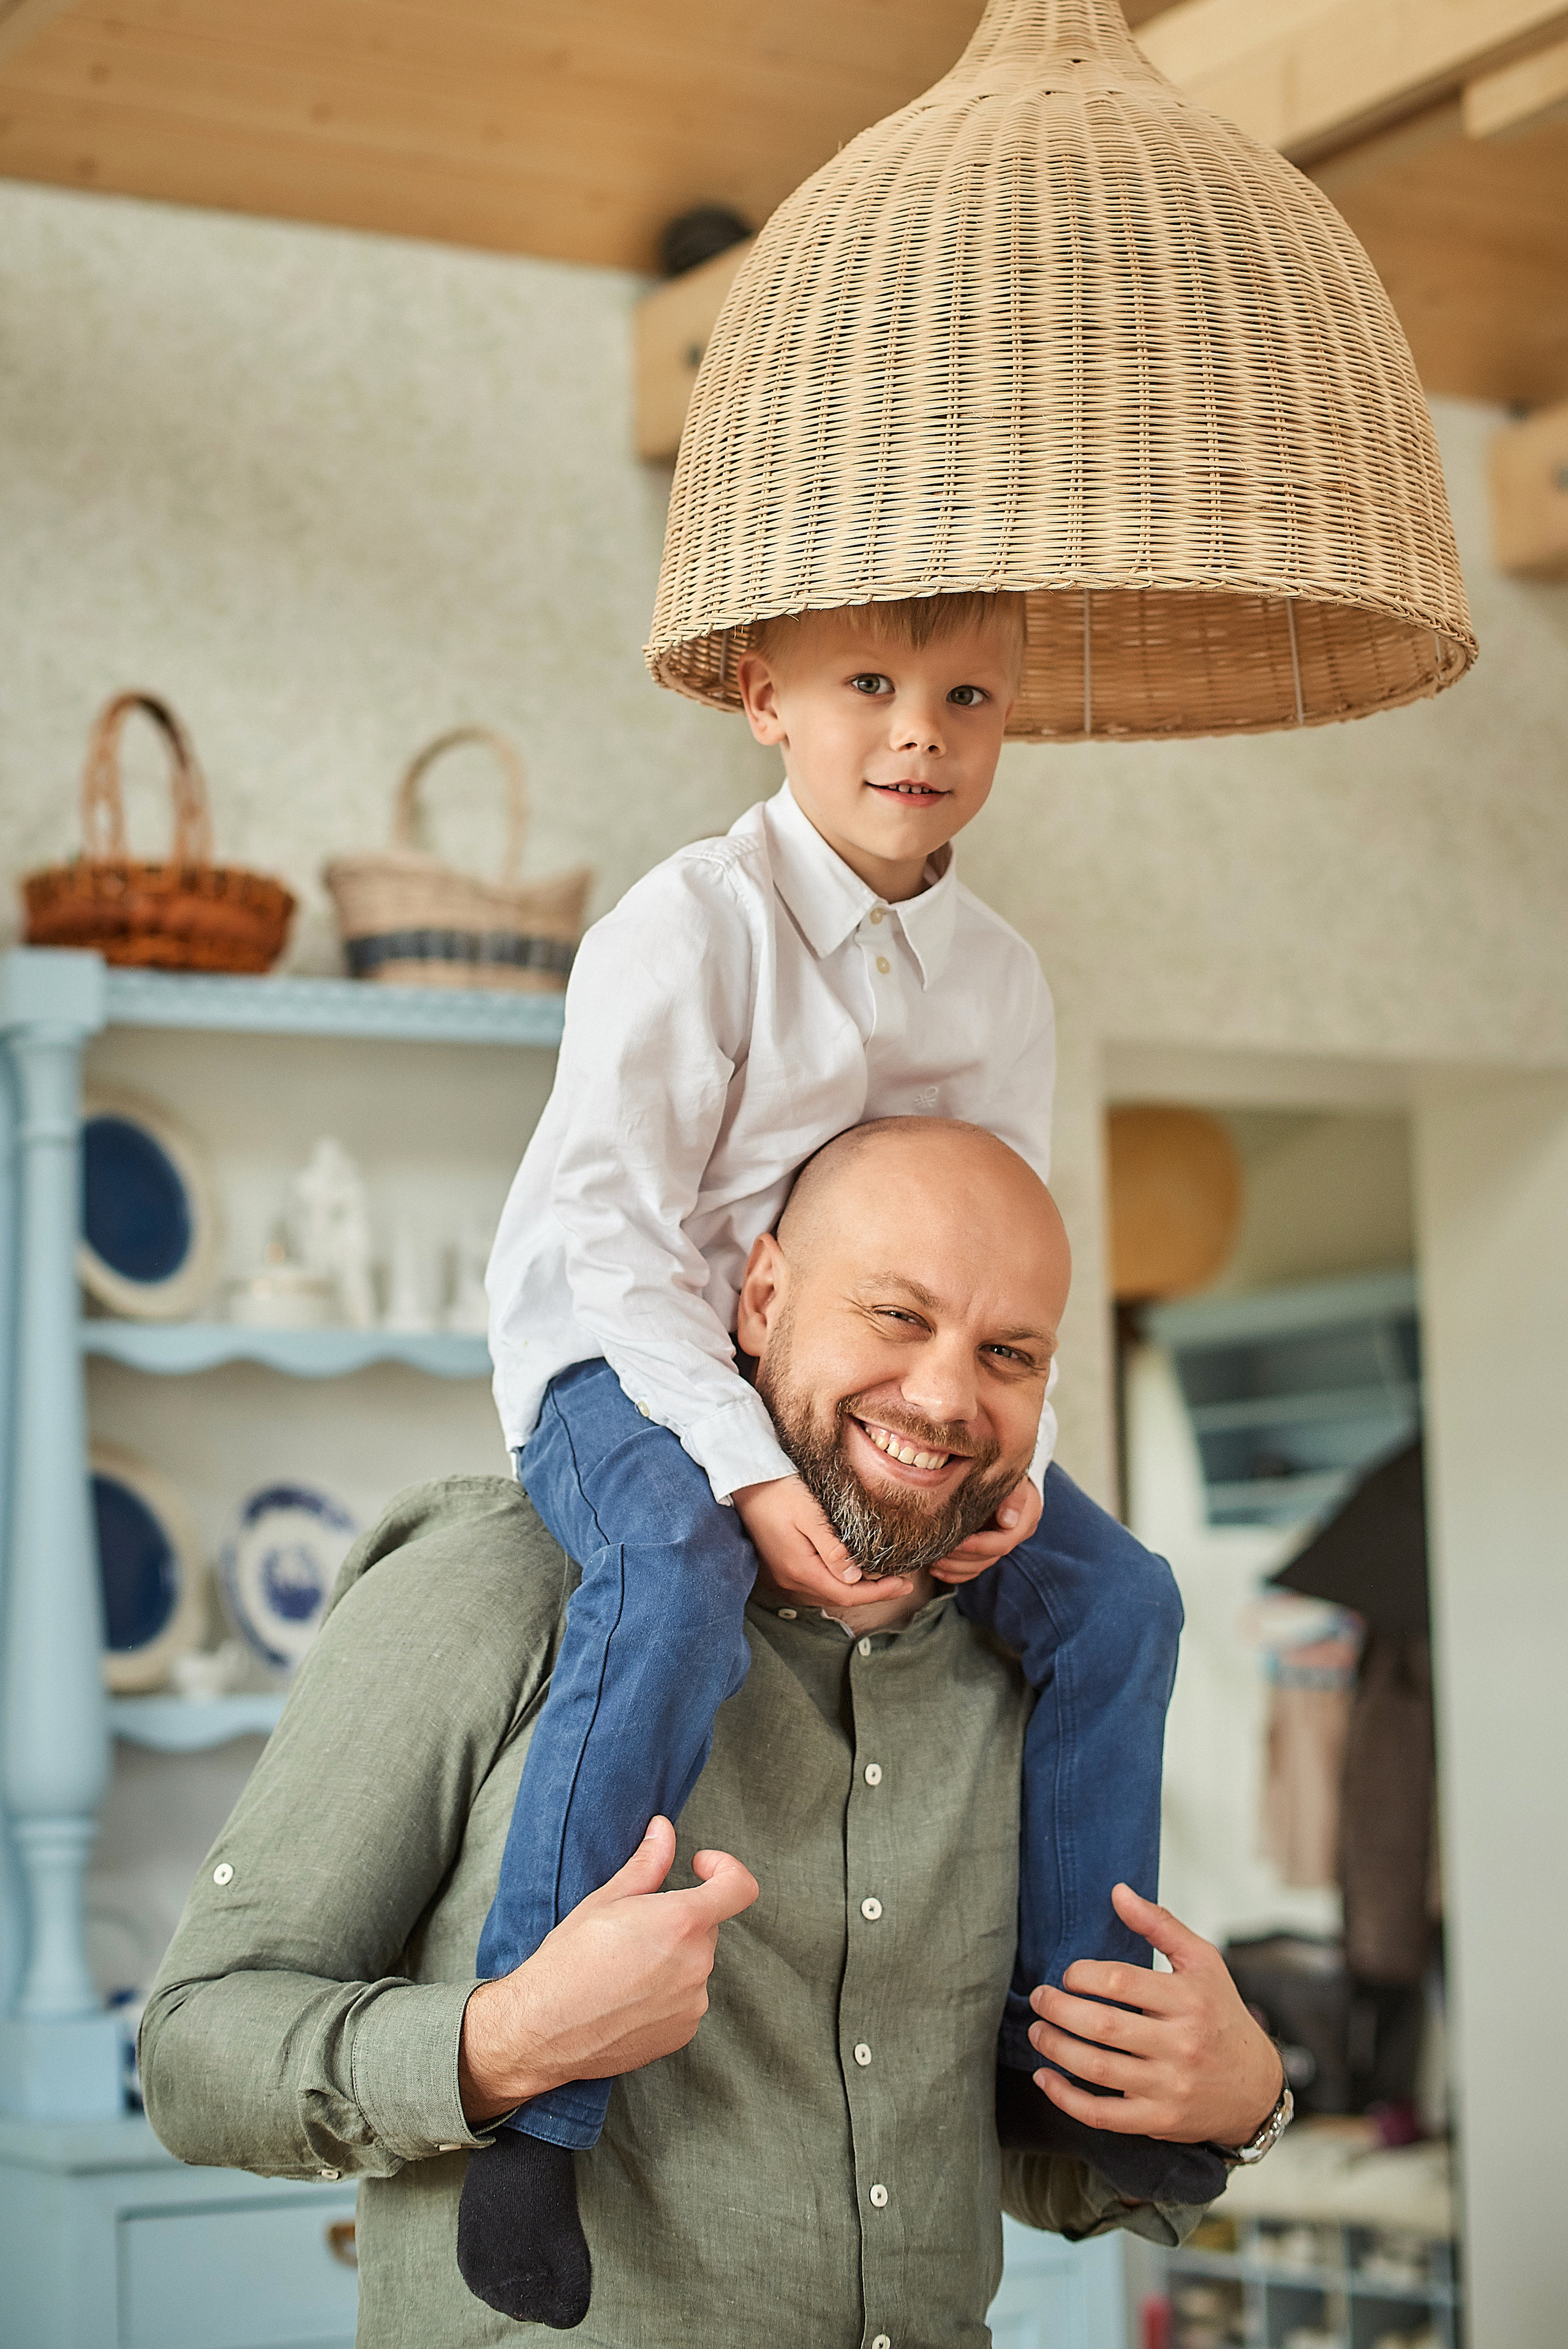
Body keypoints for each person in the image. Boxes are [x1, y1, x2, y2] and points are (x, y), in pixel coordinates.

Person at [140, 1124, 1288, 2347]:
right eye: (896, 1317)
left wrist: (1234, 2101)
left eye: (1007, 1352)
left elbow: (1025, 2173)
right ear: (760, 1295)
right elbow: (193, 2049)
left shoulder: (1029, 1676)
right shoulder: (499, 1587)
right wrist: (499, 2047)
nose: (946, 1397)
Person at [475, 594, 1186, 2324]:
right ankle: (541, 2110)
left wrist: (1015, 1477)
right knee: (673, 1575)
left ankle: (1067, 2049)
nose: (920, 731)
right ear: (762, 699)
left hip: (859, 1373)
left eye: (966, 696)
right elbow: (624, 1241)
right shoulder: (686, 928)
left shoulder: (1001, 977)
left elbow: (1002, 1273)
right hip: (618, 1346)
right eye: (870, 685)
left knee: (1125, 1600)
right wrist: (751, 1476)